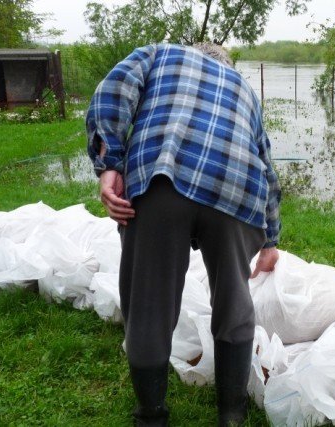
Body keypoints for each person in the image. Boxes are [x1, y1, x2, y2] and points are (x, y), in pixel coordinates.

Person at [86, 42, 281, 426]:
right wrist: (271, 240)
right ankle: (231, 414)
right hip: (237, 188)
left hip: (165, 176)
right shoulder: (245, 90)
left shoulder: (160, 53)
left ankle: (152, 417)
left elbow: (113, 91)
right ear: (225, 64)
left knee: (150, 305)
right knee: (234, 297)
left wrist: (109, 162)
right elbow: (267, 167)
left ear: (196, 53)